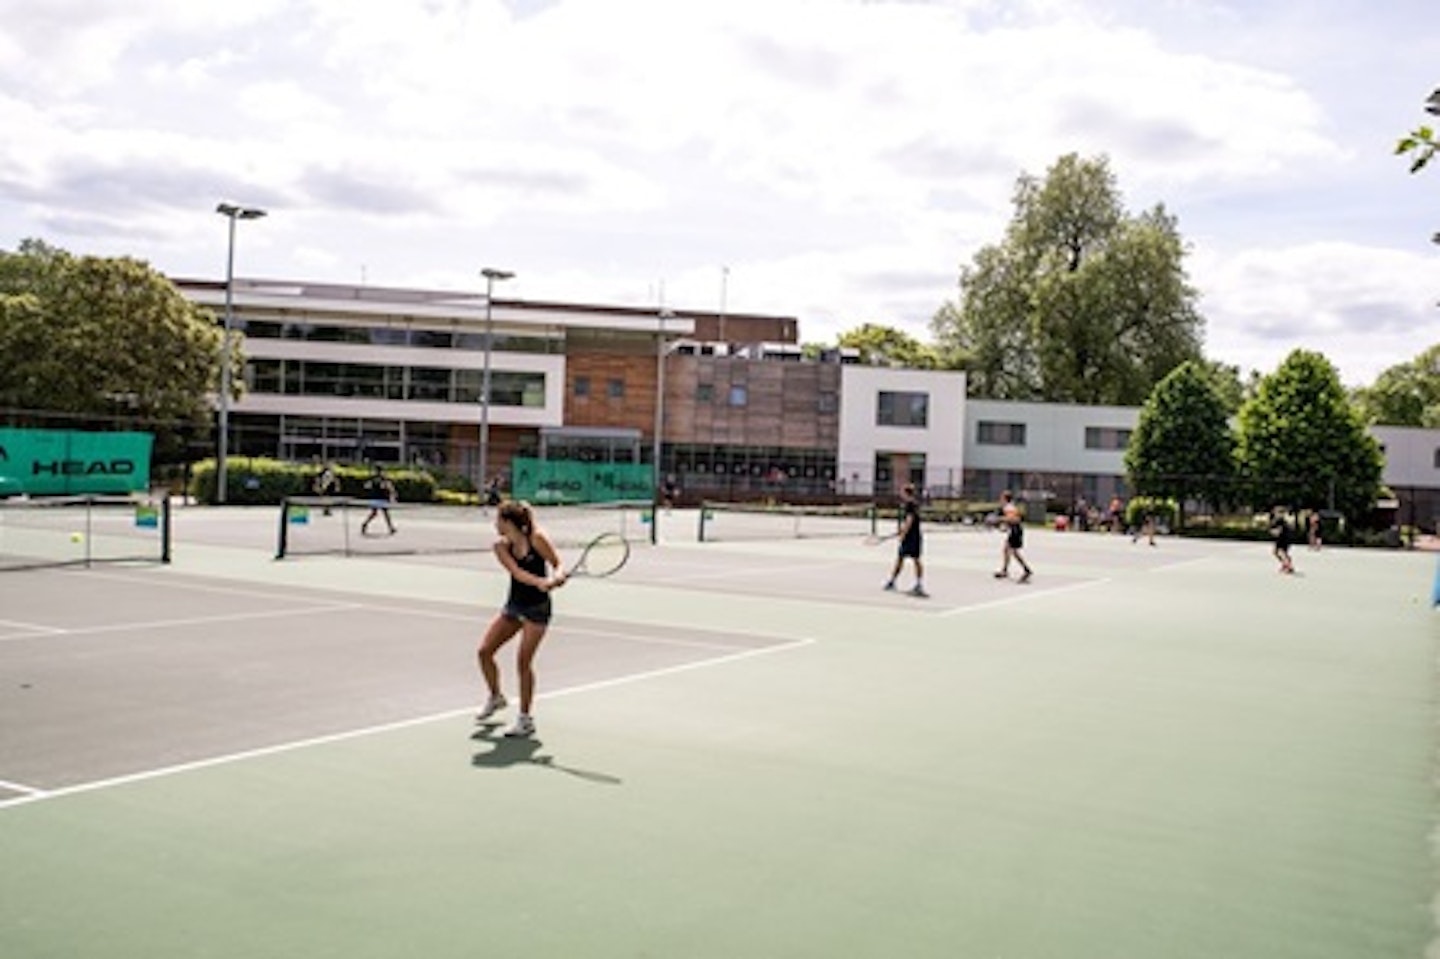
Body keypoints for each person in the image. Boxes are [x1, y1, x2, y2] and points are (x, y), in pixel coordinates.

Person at [475, 500, 568, 738]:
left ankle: (525, 720)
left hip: (537, 609)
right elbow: (517, 573)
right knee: (484, 652)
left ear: (508, 522)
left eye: (498, 520)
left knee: (523, 663)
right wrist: (541, 582)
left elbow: (558, 563)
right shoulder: (500, 547)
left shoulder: (537, 539)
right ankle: (496, 697)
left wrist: (558, 576)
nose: (495, 524)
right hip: (514, 606)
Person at [883, 483, 927, 597]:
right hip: (915, 536)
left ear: (906, 493)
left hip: (911, 537)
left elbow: (909, 520)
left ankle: (896, 582)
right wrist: (902, 531)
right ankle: (916, 584)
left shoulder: (909, 505)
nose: (900, 494)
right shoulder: (915, 504)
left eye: (902, 492)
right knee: (912, 559)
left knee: (903, 559)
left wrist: (903, 533)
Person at [994, 490, 1033, 583]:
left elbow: (1012, 519)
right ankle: (1004, 570)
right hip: (1014, 529)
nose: (1000, 499)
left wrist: (999, 520)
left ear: (1005, 499)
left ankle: (1026, 570)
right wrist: (1004, 526)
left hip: (1016, 530)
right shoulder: (1008, 507)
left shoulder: (1008, 507)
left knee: (1014, 552)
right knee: (1006, 549)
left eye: (1002, 498)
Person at [360, 464, 397, 536]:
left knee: (375, 513)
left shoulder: (374, 478)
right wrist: (393, 495)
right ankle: (391, 528)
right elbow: (389, 487)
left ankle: (365, 524)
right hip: (381, 498)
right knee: (385, 514)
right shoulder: (383, 478)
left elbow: (366, 486)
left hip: (376, 498)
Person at [1271, 509, 1296, 574]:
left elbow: (1278, 531)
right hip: (1285, 538)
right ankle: (1286, 564)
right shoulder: (1281, 520)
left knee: (1280, 552)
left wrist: (1274, 532)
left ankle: (1288, 566)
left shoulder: (1279, 520)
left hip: (1283, 538)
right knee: (1277, 552)